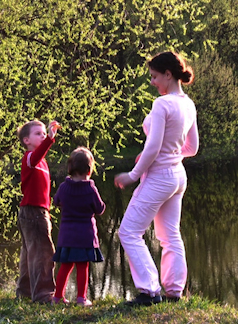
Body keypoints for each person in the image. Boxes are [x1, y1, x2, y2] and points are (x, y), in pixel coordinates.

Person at [114, 51, 199, 306]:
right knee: (170, 234)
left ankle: (150, 292)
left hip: (160, 177)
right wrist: (170, 155)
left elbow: (153, 147)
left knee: (128, 231)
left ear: (168, 75)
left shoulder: (162, 104)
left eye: (154, 77)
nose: (152, 82)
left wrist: (132, 174)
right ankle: (174, 291)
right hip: (178, 176)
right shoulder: (188, 104)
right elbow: (192, 148)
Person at [51, 147, 106, 306]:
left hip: (67, 235)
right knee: (83, 266)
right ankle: (81, 298)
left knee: (65, 266)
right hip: (85, 235)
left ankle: (57, 297)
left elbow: (56, 201)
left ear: (70, 167)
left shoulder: (63, 187)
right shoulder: (90, 188)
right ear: (89, 169)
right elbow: (99, 208)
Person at [15, 119, 60, 303]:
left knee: (30, 254)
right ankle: (43, 295)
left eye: (44, 133)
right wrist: (49, 139)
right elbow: (36, 156)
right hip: (33, 213)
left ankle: (25, 292)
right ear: (26, 140)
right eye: (38, 134)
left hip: (36, 211)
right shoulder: (30, 158)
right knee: (43, 253)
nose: (43, 136)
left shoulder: (42, 161)